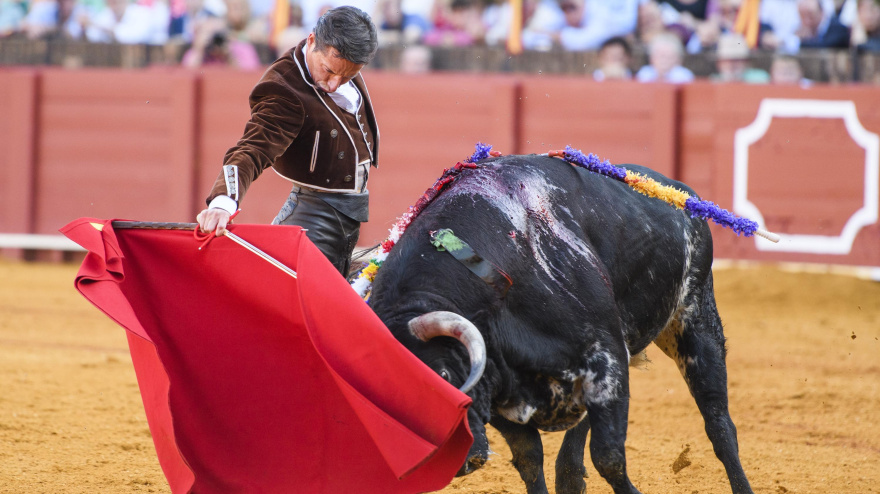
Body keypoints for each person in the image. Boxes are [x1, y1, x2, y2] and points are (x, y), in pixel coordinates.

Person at [197, 6, 380, 276]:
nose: (333, 84)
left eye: (348, 76)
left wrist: (338, 72)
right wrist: (223, 201)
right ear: (311, 41)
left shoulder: (341, 56)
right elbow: (251, 149)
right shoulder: (284, 90)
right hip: (314, 220)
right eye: (329, 71)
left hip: (346, 219)